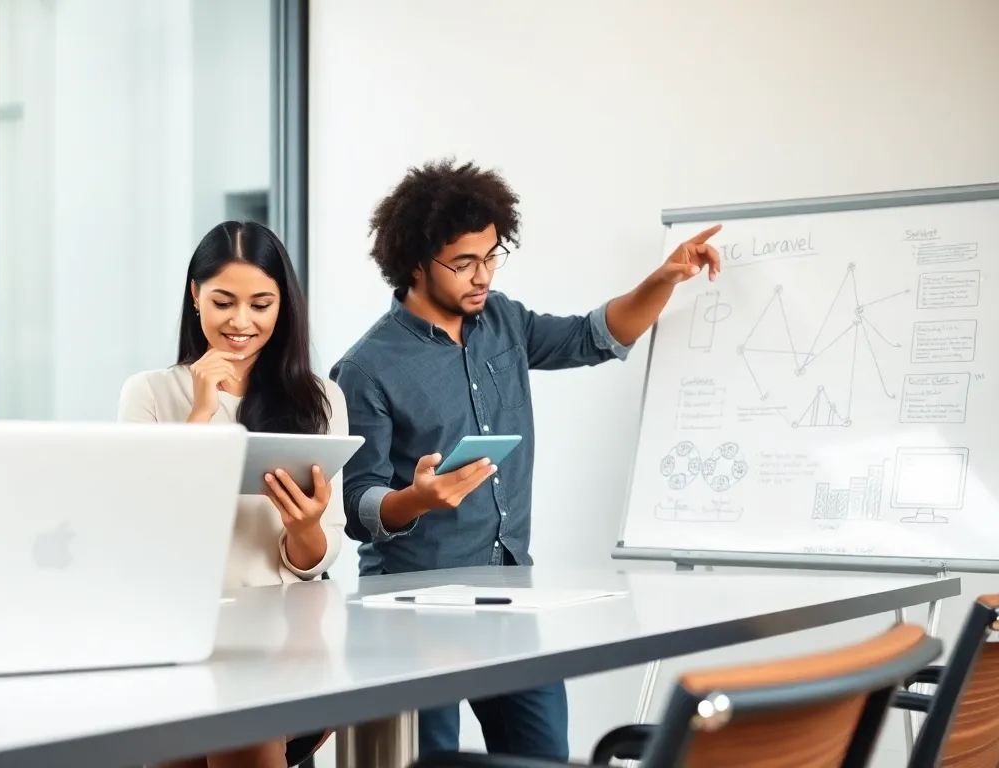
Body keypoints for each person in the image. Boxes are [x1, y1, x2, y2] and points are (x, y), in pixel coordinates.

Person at [329, 158, 720, 759]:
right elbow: (358, 507)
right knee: (428, 762)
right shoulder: (367, 368)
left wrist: (664, 279)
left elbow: (595, 337)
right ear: (413, 262)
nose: (481, 275)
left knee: (541, 756)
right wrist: (417, 499)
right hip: (407, 611)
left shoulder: (502, 321)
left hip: (509, 592)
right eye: (463, 263)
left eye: (491, 257)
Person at [118, 220, 347, 768]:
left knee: (246, 726)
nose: (241, 322)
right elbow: (137, 531)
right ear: (195, 296)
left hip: (276, 646)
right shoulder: (150, 393)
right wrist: (199, 415)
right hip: (174, 639)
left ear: (282, 308)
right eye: (223, 301)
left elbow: (316, 559)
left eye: (261, 304)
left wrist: (303, 529)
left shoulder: (321, 400)